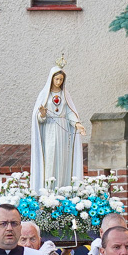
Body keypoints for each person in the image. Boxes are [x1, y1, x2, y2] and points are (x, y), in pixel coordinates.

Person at [30, 61, 86, 193]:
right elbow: (38, 118)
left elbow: (69, 112)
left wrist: (77, 124)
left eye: (61, 79)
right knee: (50, 159)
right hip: (49, 131)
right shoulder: (44, 95)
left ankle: (62, 189)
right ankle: (49, 190)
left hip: (63, 131)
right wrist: (42, 114)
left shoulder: (65, 95)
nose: (59, 82)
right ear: (51, 79)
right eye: (56, 79)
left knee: (63, 160)